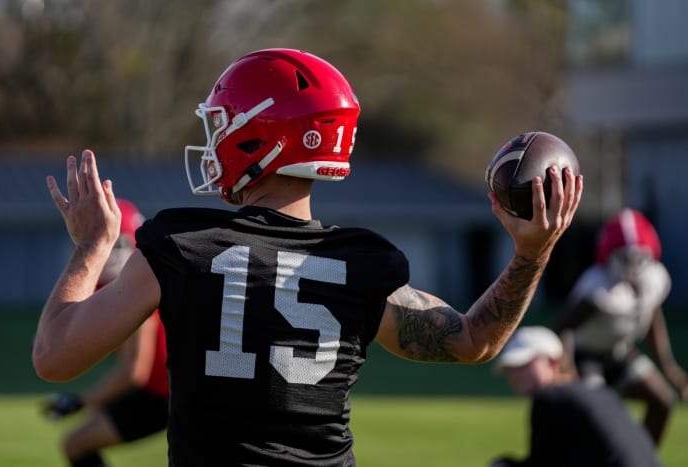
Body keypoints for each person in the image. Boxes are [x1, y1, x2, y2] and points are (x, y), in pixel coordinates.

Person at [32, 48, 582, 466]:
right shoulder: (363, 265)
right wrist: (532, 252)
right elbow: (472, 340)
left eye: (224, 124)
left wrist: (90, 245)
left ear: (262, 138)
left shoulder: (181, 244)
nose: (215, 138)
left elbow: (55, 357)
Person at [41, 199, 169, 467]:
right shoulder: (134, 282)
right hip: (161, 391)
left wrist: (81, 401)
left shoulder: (136, 293)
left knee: (76, 444)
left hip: (164, 395)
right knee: (76, 443)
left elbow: (134, 372)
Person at [556, 208, 688, 445]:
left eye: (639, 258)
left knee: (663, 401)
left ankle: (639, 459)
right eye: (626, 258)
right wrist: (567, 367)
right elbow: (564, 327)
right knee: (596, 416)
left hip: (620, 353)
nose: (633, 266)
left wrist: (669, 367)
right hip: (587, 358)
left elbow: (652, 319)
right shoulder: (597, 286)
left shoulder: (654, 279)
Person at [490, 326, 663, 467]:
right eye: (510, 368)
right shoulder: (596, 392)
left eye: (524, 364)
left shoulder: (550, 398)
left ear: (553, 361)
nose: (515, 374)